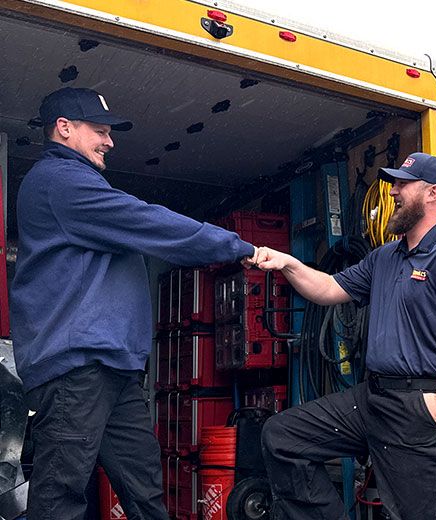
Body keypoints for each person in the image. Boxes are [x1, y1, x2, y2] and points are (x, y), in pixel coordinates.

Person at [9, 87, 258, 520]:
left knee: (144, 488)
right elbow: (148, 222)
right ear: (64, 128)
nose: (110, 142)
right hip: (77, 368)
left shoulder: (76, 182)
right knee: (59, 496)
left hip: (111, 369)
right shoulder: (59, 182)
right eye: (100, 131)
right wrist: (240, 247)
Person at [253, 152, 436, 520]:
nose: (393, 192)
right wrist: (288, 263)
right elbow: (328, 288)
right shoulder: (384, 257)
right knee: (282, 438)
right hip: (372, 399)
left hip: (419, 408)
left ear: (433, 193)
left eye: (403, 184)